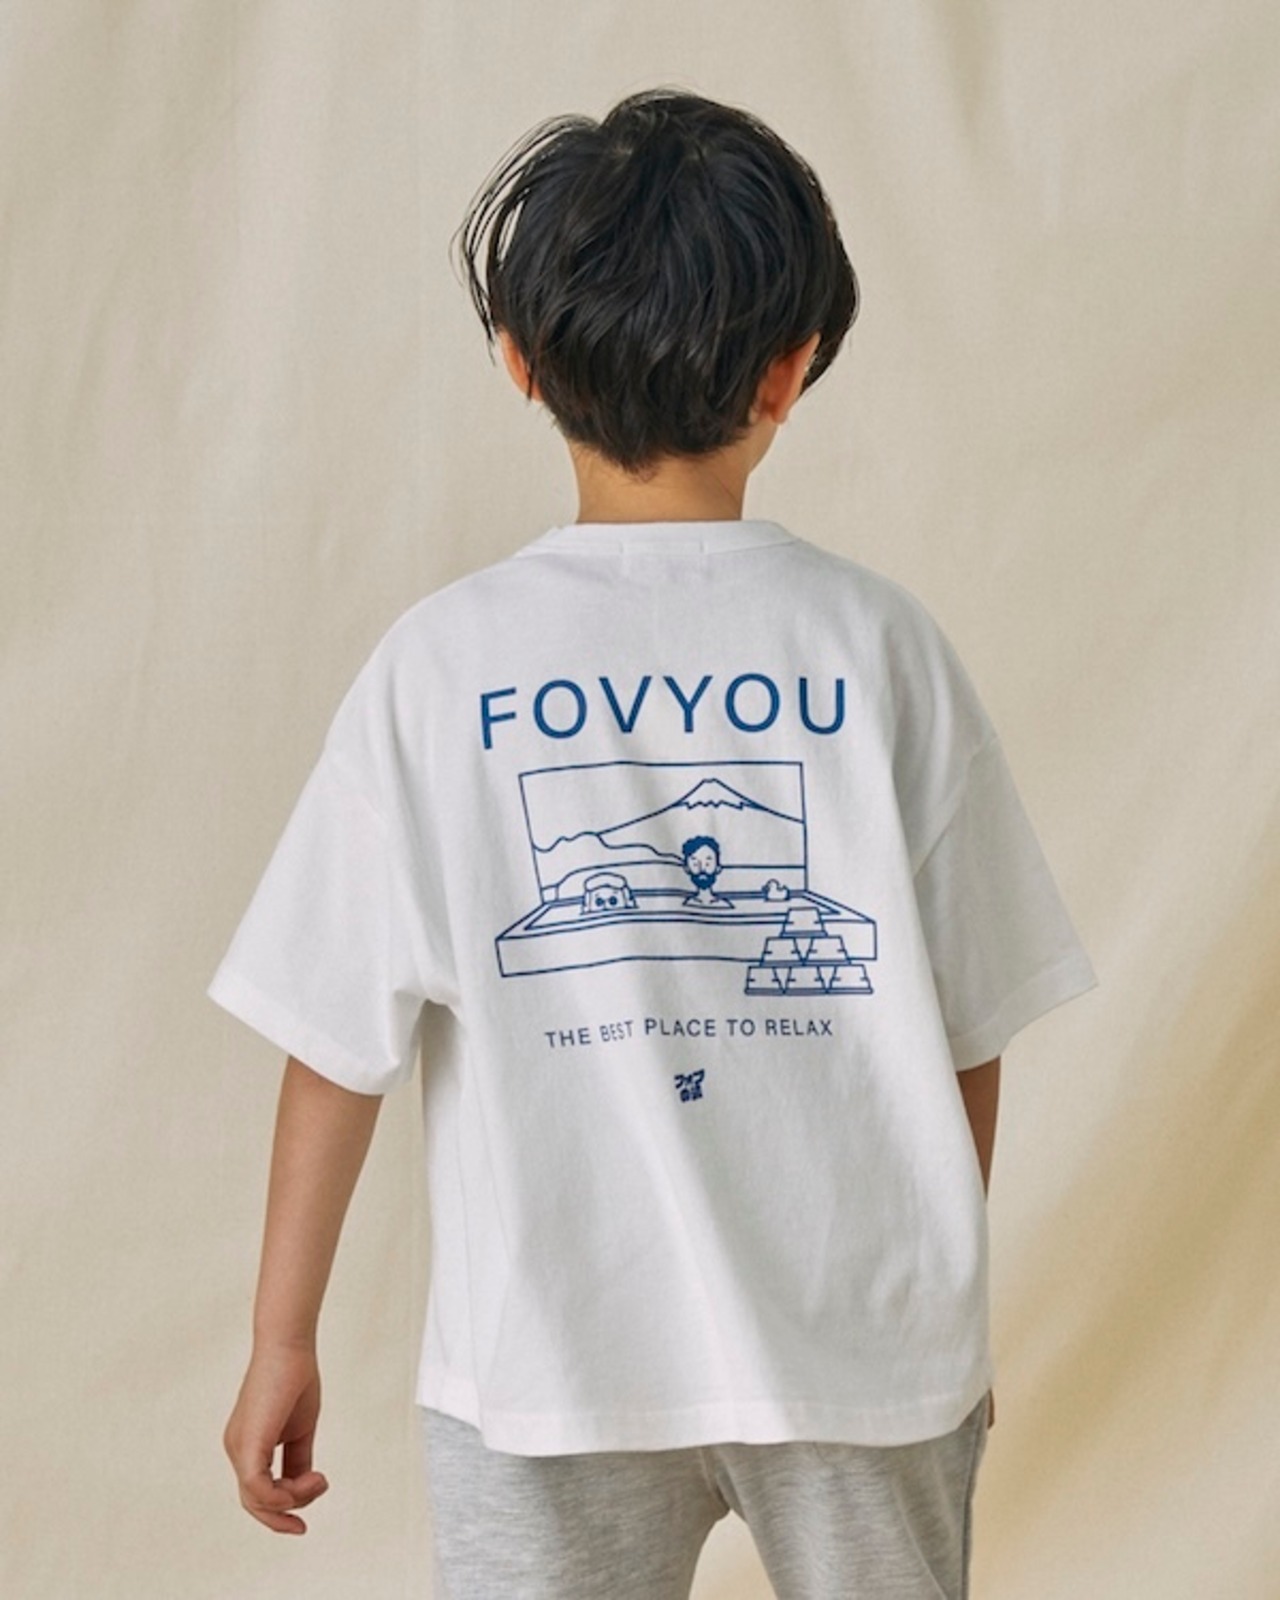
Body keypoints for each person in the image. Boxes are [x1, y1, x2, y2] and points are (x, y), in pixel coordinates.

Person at [212, 86, 1098, 1599]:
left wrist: (280, 1336)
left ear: (518, 360)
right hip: (856, 1354)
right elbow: (969, 1019)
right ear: (791, 369)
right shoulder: (881, 647)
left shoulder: (438, 667)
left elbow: (333, 1041)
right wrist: (931, 1321)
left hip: (548, 1362)